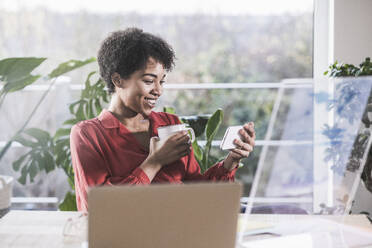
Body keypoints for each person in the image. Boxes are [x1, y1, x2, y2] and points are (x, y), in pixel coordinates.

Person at [70, 28, 256, 211]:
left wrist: (232, 159)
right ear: (118, 80)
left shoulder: (170, 124)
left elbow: (198, 192)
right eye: (149, 81)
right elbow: (99, 207)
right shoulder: (88, 135)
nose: (158, 91)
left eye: (162, 81)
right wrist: (154, 162)